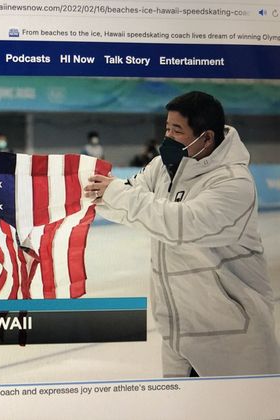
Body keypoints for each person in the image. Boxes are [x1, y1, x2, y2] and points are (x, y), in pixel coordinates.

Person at [84, 91, 280, 377]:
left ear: (207, 138)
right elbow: (129, 202)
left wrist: (116, 193)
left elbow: (181, 225)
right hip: (178, 334)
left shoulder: (233, 183)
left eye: (177, 130)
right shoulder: (162, 168)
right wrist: (100, 195)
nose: (168, 137)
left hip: (233, 338)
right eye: (167, 128)